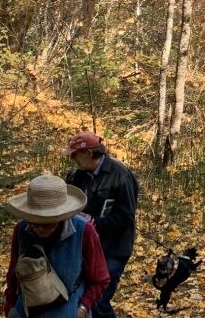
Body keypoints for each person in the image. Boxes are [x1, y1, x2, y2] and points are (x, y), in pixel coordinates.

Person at [3, 174, 110, 318]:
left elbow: (100, 279)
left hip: (69, 312)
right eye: (33, 222)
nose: (39, 228)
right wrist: (10, 308)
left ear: (61, 217)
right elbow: (12, 276)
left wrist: (83, 308)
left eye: (47, 224)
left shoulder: (84, 231)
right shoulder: (21, 229)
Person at [64, 131, 139, 318]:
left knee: (98, 301)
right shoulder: (75, 177)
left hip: (113, 248)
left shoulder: (120, 175)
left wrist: (92, 222)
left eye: (75, 154)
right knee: (83, 297)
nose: (72, 158)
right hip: (85, 247)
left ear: (89, 153)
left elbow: (125, 216)